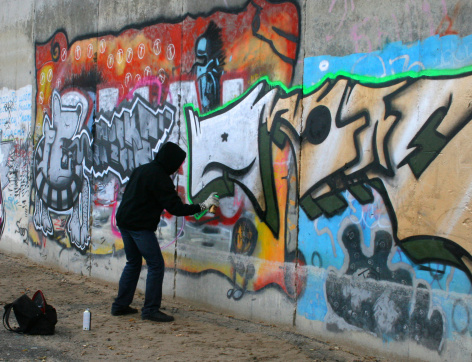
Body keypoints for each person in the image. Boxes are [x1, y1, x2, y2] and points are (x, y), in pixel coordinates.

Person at [111, 142, 219, 322]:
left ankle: (120, 306)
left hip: (124, 222)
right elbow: (176, 208)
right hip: (139, 226)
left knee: (133, 262)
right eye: (178, 163)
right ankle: (150, 310)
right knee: (156, 264)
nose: (179, 167)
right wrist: (204, 206)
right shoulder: (160, 177)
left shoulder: (143, 169)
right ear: (171, 161)